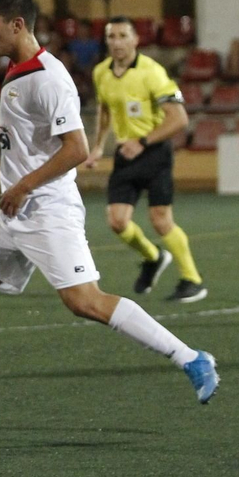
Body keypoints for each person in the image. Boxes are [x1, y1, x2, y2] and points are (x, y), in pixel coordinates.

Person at [0, 0, 218, 437]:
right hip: (15, 214)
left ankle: (190, 357)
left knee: (85, 302)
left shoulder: (48, 77)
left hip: (46, 210)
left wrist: (24, 185)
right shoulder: (17, 71)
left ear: (18, 24)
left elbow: (76, 148)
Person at [87, 17, 204, 302]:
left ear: (135, 40)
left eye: (122, 35)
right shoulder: (101, 72)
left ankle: (192, 280)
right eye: (111, 36)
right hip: (126, 154)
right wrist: (98, 146)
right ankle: (153, 257)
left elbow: (179, 119)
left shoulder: (152, 72)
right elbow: (104, 109)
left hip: (154, 153)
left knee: (161, 220)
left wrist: (142, 142)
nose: (116, 42)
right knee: (117, 221)